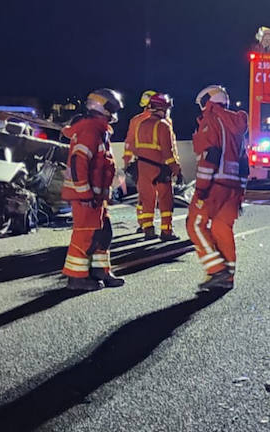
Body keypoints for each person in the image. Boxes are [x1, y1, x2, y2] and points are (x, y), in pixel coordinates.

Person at [61, 88, 125, 291]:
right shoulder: (90, 129)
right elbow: (78, 162)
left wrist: (104, 195)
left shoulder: (99, 129)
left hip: (96, 197)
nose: (114, 112)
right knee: (85, 235)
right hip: (86, 197)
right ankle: (76, 278)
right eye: (112, 107)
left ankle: (100, 271)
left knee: (104, 233)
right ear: (102, 108)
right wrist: (85, 193)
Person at [188, 84, 249, 294]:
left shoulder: (211, 121)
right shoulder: (237, 125)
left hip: (215, 184)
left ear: (207, 102)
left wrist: (202, 189)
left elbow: (210, 156)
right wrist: (240, 192)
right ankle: (227, 276)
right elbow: (244, 163)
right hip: (233, 187)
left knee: (195, 225)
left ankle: (216, 270)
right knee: (222, 228)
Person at [124, 91, 181, 240]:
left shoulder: (141, 124)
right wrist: (176, 169)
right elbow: (168, 153)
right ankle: (166, 231)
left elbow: (134, 146)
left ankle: (148, 228)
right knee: (165, 200)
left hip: (142, 168)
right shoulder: (163, 126)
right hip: (160, 169)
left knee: (146, 199)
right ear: (163, 108)